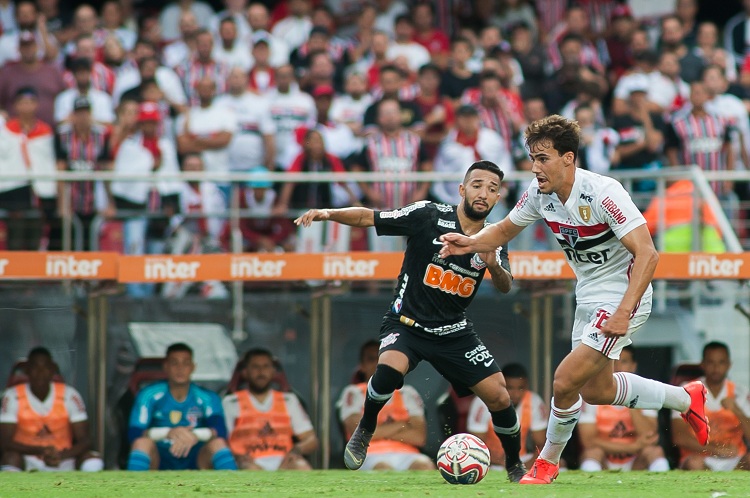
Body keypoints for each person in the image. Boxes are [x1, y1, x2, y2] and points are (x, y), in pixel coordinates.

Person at [437, 115, 709, 485]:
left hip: (622, 295)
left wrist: (623, 313)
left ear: (569, 158)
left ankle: (547, 464)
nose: (535, 168)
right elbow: (502, 231)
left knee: (564, 381)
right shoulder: (539, 194)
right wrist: (468, 242)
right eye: (532, 158)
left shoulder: (603, 192)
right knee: (598, 390)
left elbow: (648, 254)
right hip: (589, 294)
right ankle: (686, 398)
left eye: (543, 158)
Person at [295, 160, 528, 483]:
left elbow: (505, 286)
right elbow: (370, 216)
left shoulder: (495, 236)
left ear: (498, 197)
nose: (483, 193)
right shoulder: (429, 215)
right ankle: (365, 428)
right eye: (477, 185)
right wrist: (328, 213)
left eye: (491, 189)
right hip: (407, 323)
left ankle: (516, 465)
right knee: (388, 370)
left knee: (500, 396)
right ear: (462, 189)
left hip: (453, 332)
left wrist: (492, 263)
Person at [126, 343, 237, 471]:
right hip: (159, 458)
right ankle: (133, 488)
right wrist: (168, 433)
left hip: (196, 457)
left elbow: (220, 430)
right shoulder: (148, 394)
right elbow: (134, 433)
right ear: (166, 367)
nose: (180, 368)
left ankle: (234, 489)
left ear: (193, 367)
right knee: (141, 443)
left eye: (185, 363)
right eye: (174, 363)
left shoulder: (207, 397)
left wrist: (193, 435)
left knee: (218, 444)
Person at [0, 347, 103, 472]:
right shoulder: (12, 396)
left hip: (63, 458)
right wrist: (41, 451)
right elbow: (4, 442)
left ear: (53, 369)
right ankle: (15, 491)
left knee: (92, 460)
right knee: (9, 458)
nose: (40, 373)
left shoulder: (69, 395)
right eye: (35, 368)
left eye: (45, 368)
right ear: (27, 370)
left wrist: (60, 455)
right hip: (27, 458)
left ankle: (89, 491)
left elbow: (85, 440)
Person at [337, 340, 434, 471]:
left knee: (424, 466)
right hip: (371, 454)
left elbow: (419, 437)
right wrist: (401, 425)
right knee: (383, 469)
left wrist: (376, 431)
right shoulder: (354, 392)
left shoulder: (407, 392)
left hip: (407, 453)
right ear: (362, 366)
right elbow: (358, 434)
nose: (377, 363)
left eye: (381, 357)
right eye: (371, 359)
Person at [578, 346, 670, 472]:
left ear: (633, 366)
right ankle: (591, 490)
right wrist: (632, 447)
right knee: (591, 453)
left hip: (636, 462)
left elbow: (649, 436)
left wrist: (629, 398)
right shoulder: (592, 396)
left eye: (624, 362)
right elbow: (588, 442)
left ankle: (662, 491)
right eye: (613, 362)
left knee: (655, 451)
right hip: (605, 461)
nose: (618, 367)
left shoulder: (645, 393)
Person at [223, 348, 318, 470]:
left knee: (301, 467)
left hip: (284, 462)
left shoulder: (289, 400)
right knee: (249, 470)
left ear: (273, 371)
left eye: (266, 367)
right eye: (255, 367)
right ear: (245, 372)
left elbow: (311, 440)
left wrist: (296, 451)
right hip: (249, 463)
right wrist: (237, 456)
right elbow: (221, 442)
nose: (261, 372)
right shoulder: (231, 402)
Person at [672, 342, 750, 471]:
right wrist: (715, 450)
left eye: (721, 362)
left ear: (729, 365)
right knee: (694, 464)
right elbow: (679, 436)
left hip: (734, 460)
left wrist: (737, 411)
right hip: (699, 457)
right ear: (702, 364)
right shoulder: (687, 390)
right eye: (711, 362)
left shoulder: (740, 392)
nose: (716, 368)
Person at [467, 363, 548, 470]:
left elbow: (541, 445)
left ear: (527, 386)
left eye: (520, 388)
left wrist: (525, 466)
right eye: (510, 388)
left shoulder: (534, 402)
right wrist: (501, 462)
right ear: (501, 385)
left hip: (521, 459)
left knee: (557, 466)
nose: (515, 394)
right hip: (490, 461)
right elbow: (476, 446)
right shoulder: (482, 402)